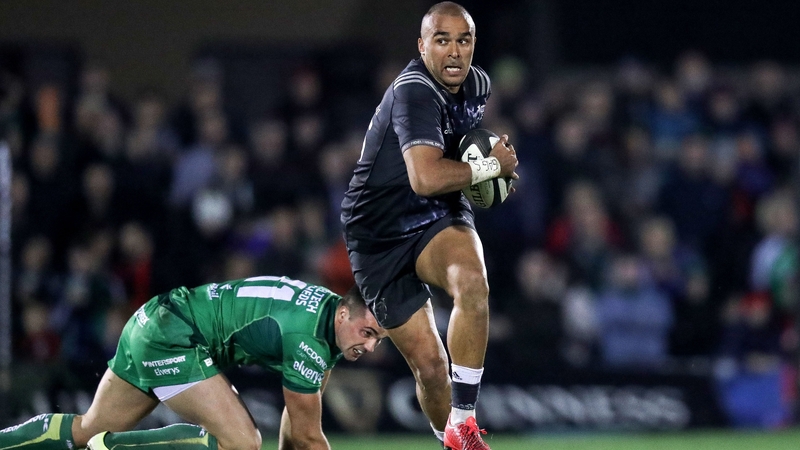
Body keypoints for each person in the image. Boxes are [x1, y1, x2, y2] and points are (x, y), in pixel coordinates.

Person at [340, 2, 519, 449]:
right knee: (432, 370)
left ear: (474, 45)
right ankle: (451, 441)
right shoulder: (414, 90)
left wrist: (487, 166)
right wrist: (490, 167)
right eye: (442, 40)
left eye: (463, 40)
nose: (454, 51)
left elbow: (455, 154)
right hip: (378, 233)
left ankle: (465, 424)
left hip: (436, 214)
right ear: (422, 47)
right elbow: (424, 177)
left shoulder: (478, 85)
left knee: (472, 283)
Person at [0, 275, 387, 450]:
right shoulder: (309, 340)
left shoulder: (327, 313)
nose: (370, 347)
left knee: (85, 429)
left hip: (153, 320)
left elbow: (298, 421)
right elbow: (307, 437)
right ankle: (111, 447)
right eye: (367, 333)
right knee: (243, 443)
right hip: (174, 337)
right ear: (344, 315)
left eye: (378, 339)